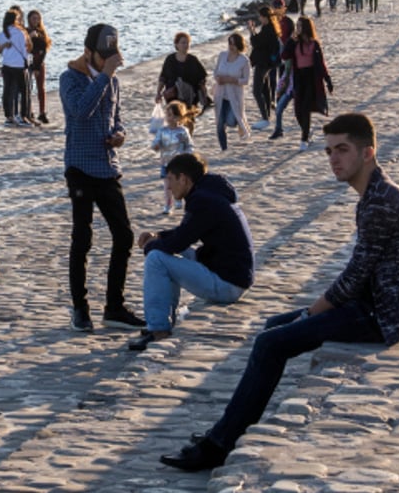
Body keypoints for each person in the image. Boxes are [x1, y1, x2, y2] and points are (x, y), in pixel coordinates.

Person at [160, 113, 399, 472]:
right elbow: (360, 275)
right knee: (274, 326)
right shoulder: (376, 193)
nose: (334, 159)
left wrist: (312, 312)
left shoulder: (379, 202)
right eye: (329, 151)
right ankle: (228, 429)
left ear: (368, 153)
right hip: (377, 303)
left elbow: (354, 277)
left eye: (343, 150)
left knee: (271, 343)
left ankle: (218, 445)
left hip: (383, 315)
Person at [60, 23, 146, 333]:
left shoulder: (114, 82)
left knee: (123, 235)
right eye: (104, 56)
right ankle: (80, 309)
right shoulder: (69, 79)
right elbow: (81, 111)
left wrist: (120, 135)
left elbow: (116, 118)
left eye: (113, 56)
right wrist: (106, 76)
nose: (109, 61)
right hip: (80, 168)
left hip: (107, 166)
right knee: (82, 238)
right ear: (88, 52)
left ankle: (114, 306)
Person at [129, 153, 255, 351]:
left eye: (170, 179)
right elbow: (186, 233)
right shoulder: (210, 192)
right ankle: (165, 317)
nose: (168, 187)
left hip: (227, 284)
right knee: (165, 252)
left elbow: (177, 243)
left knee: (156, 259)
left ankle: (158, 328)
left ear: (184, 179)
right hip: (230, 273)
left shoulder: (202, 200)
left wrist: (150, 246)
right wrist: (159, 236)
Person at [281, 17, 333, 151]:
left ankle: (304, 138)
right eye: (296, 26)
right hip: (299, 78)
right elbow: (284, 56)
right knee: (298, 110)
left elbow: (321, 64)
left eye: (300, 26)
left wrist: (327, 80)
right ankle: (306, 130)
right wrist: (290, 41)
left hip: (311, 78)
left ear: (306, 27)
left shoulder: (314, 44)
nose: (297, 29)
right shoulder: (294, 43)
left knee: (306, 108)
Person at [156, 32, 211, 124]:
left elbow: (201, 80)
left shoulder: (193, 60)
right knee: (174, 119)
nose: (185, 45)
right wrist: (158, 93)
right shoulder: (170, 60)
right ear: (176, 44)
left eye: (187, 43)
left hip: (190, 97)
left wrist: (204, 95)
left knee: (188, 120)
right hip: (172, 96)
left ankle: (187, 136)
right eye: (183, 43)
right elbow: (163, 77)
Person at [151, 101, 195, 215]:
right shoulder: (162, 131)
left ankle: (179, 199)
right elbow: (155, 143)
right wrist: (156, 146)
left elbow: (190, 145)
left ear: (179, 117)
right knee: (167, 186)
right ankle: (167, 205)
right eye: (168, 114)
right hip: (166, 163)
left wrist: (186, 155)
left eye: (172, 115)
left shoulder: (183, 131)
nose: (169, 118)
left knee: (181, 184)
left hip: (180, 164)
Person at [213, 33, 252, 151]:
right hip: (220, 93)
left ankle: (239, 126)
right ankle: (224, 148)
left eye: (234, 44)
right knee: (219, 125)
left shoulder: (244, 60)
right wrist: (218, 78)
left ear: (239, 45)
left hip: (234, 95)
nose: (231, 46)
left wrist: (232, 80)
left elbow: (246, 80)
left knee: (231, 120)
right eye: (230, 43)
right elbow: (215, 72)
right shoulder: (222, 55)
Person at [246, 7, 280, 130]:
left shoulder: (268, 30)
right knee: (265, 88)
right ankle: (267, 117)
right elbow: (259, 42)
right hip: (267, 63)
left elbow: (256, 43)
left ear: (264, 17)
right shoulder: (270, 28)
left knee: (257, 90)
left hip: (263, 63)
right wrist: (254, 31)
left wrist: (251, 31)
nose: (259, 18)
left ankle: (265, 118)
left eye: (260, 16)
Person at [0, 9, 31, 126]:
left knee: (7, 91)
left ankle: (9, 116)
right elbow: (24, 49)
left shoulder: (1, 34)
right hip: (19, 65)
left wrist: (5, 46)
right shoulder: (20, 33)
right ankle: (23, 116)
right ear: (15, 20)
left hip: (6, 65)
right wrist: (27, 62)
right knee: (24, 91)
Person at [26, 9, 53, 124]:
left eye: (38, 18)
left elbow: (45, 49)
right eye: (33, 18)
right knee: (28, 88)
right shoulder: (26, 32)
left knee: (41, 88)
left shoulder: (42, 32)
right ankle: (29, 111)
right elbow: (24, 47)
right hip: (28, 62)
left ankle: (42, 112)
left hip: (39, 61)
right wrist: (30, 36)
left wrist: (37, 66)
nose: (36, 21)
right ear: (29, 19)